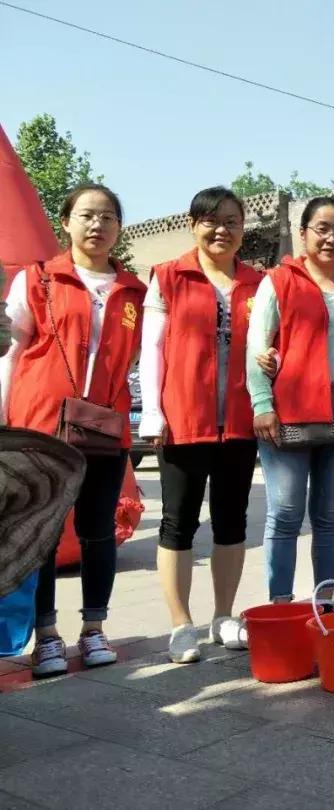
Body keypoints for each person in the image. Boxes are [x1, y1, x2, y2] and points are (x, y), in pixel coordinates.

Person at [0, 183, 146, 676]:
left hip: (103, 429)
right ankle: (46, 637)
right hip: (40, 425)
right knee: (40, 534)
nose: (97, 225)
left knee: (97, 533)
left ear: (118, 227)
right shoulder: (38, 279)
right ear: (66, 221)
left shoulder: (133, 291)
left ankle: (95, 629)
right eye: (87, 215)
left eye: (108, 216)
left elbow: (134, 360)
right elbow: (12, 353)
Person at [139, 187, 262, 663]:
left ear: (242, 228)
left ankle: (224, 615)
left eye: (232, 221)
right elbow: (151, 349)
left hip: (239, 422)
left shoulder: (257, 281)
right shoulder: (169, 277)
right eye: (211, 221)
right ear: (193, 224)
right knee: (178, 522)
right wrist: (153, 409)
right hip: (183, 421)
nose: (222, 230)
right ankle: (180, 624)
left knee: (232, 521)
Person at [247, 197, 334, 605]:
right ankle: (281, 604)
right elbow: (257, 344)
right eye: (322, 228)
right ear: (303, 234)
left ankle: (325, 602)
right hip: (289, 412)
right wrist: (262, 403)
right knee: (285, 513)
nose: (332, 238)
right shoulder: (278, 281)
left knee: (329, 516)